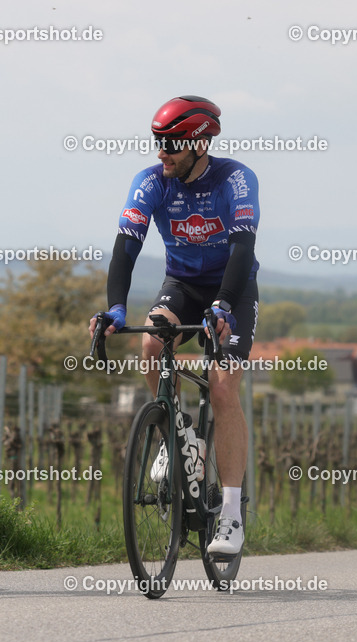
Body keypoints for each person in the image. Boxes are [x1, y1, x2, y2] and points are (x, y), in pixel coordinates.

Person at [90, 96, 259, 556]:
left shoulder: (235, 179)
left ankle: (229, 514)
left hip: (233, 288)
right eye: (157, 143)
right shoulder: (151, 182)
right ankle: (178, 435)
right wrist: (115, 308)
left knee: (223, 389)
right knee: (148, 343)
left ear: (200, 145)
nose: (161, 152)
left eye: (171, 145)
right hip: (182, 283)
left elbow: (243, 249)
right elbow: (126, 245)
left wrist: (224, 305)